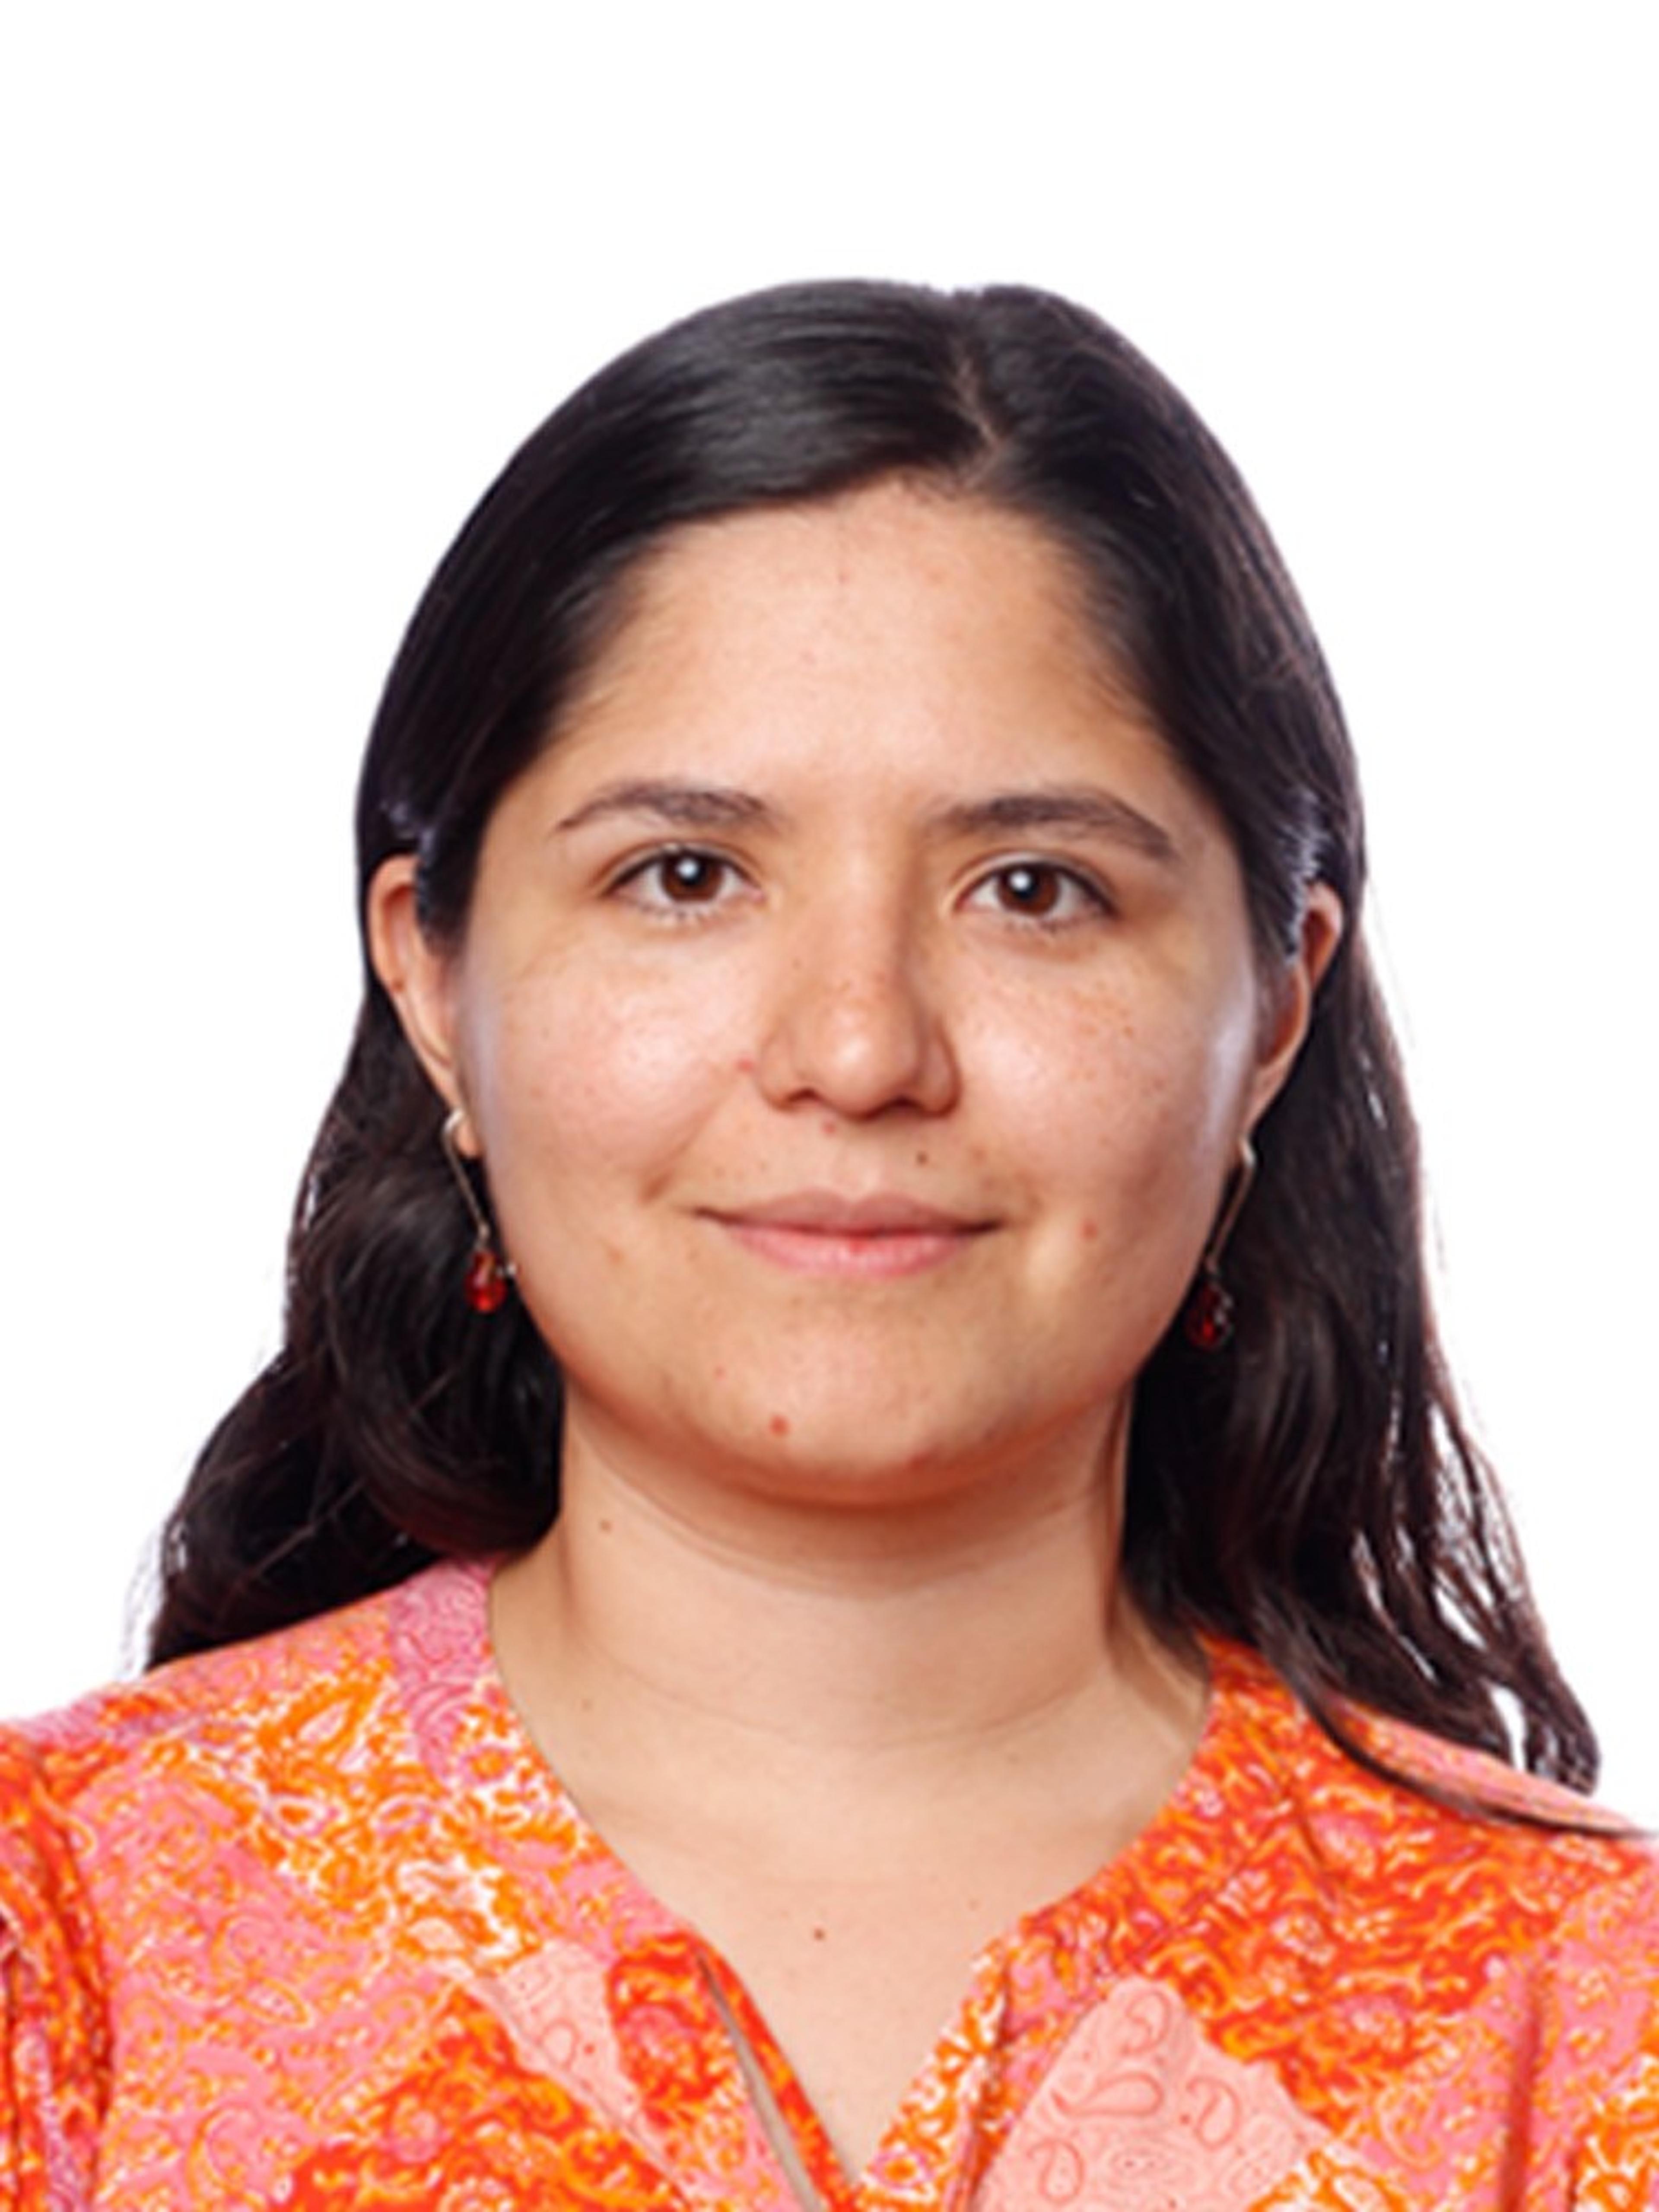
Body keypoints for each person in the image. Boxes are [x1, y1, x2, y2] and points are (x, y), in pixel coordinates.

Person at [2, 281, 1654, 2209]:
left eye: (1034, 889)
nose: (860, 1051)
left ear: (1274, 1007)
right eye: (685, 875)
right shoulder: (66, 1929)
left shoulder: (1586, 2013)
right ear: (436, 982)